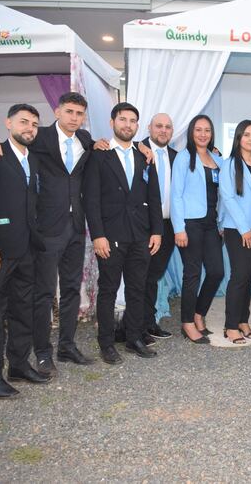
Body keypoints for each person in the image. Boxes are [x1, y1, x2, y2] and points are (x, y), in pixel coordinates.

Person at [0, 92, 97, 378]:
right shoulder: (38, 136)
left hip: (75, 227)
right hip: (44, 230)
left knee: (71, 290)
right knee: (43, 294)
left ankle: (67, 346)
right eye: (69, 111)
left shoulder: (85, 141)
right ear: (57, 112)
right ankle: (42, 353)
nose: (74, 117)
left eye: (79, 113)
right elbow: (12, 140)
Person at [0, 103, 50, 398]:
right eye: (23, 122)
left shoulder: (35, 159)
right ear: (8, 123)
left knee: (23, 310)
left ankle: (18, 364)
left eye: (33, 124)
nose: (29, 128)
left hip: (27, 249)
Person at [83, 102, 163, 364]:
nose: (127, 125)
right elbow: (91, 199)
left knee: (137, 289)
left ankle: (134, 338)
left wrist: (157, 231)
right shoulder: (99, 155)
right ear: (112, 123)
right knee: (108, 290)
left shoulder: (144, 156)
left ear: (137, 126)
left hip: (141, 235)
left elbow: (154, 196)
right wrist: (98, 235)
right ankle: (106, 343)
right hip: (111, 235)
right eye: (122, 120)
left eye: (132, 121)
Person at [171, 114, 223, 345]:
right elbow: (176, 195)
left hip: (212, 224)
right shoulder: (184, 158)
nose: (203, 134)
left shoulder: (217, 159)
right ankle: (187, 323)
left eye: (207, 130)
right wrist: (179, 228)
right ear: (191, 133)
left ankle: (199, 313)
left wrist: (221, 223)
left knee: (216, 272)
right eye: (199, 130)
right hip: (190, 224)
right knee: (192, 274)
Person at [219, 120, 251, 345]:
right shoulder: (229, 165)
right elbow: (228, 198)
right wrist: (244, 228)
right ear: (238, 138)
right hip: (238, 229)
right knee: (239, 276)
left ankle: (243, 320)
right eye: (246, 134)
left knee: (248, 276)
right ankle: (230, 325)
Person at [139, 113, 177, 341]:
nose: (163, 130)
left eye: (168, 127)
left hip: (168, 226)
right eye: (159, 126)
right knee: (139, 276)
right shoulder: (136, 150)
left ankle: (148, 322)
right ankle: (135, 326)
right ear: (149, 127)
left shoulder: (177, 156)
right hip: (143, 226)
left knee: (153, 275)